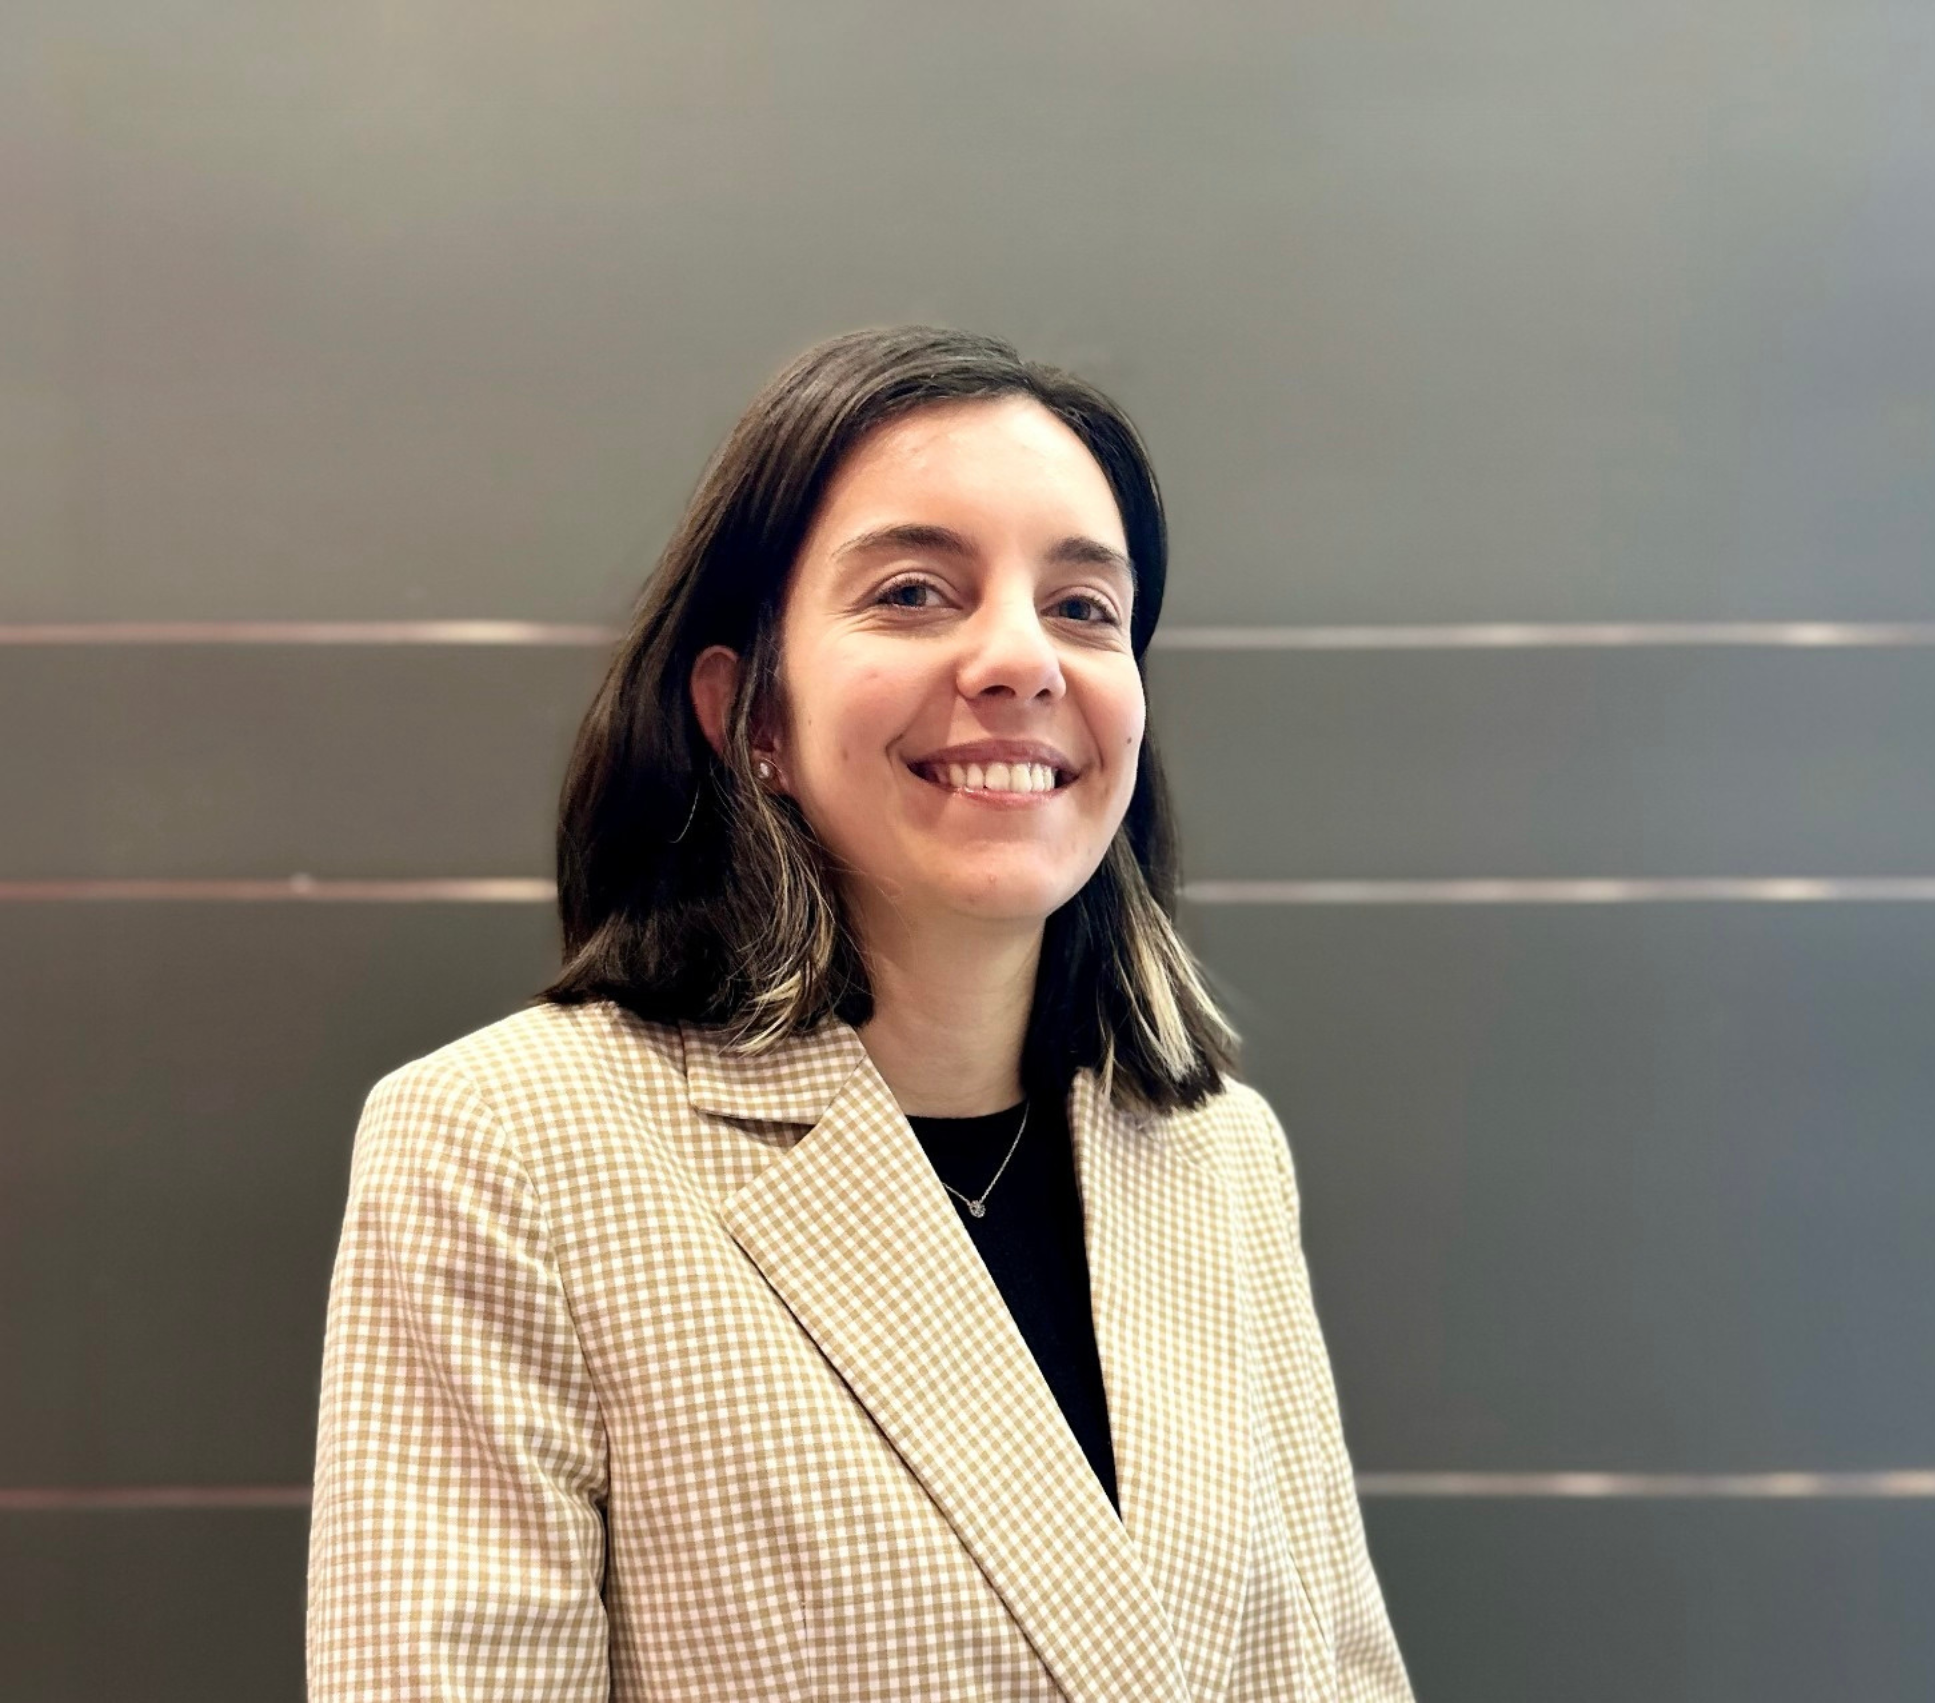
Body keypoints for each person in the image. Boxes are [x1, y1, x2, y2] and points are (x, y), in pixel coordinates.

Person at [305, 326, 1415, 1700]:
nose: (1023, 658)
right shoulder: (502, 1147)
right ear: (746, 712)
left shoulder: (1220, 1154)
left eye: (1083, 607)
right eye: (912, 591)